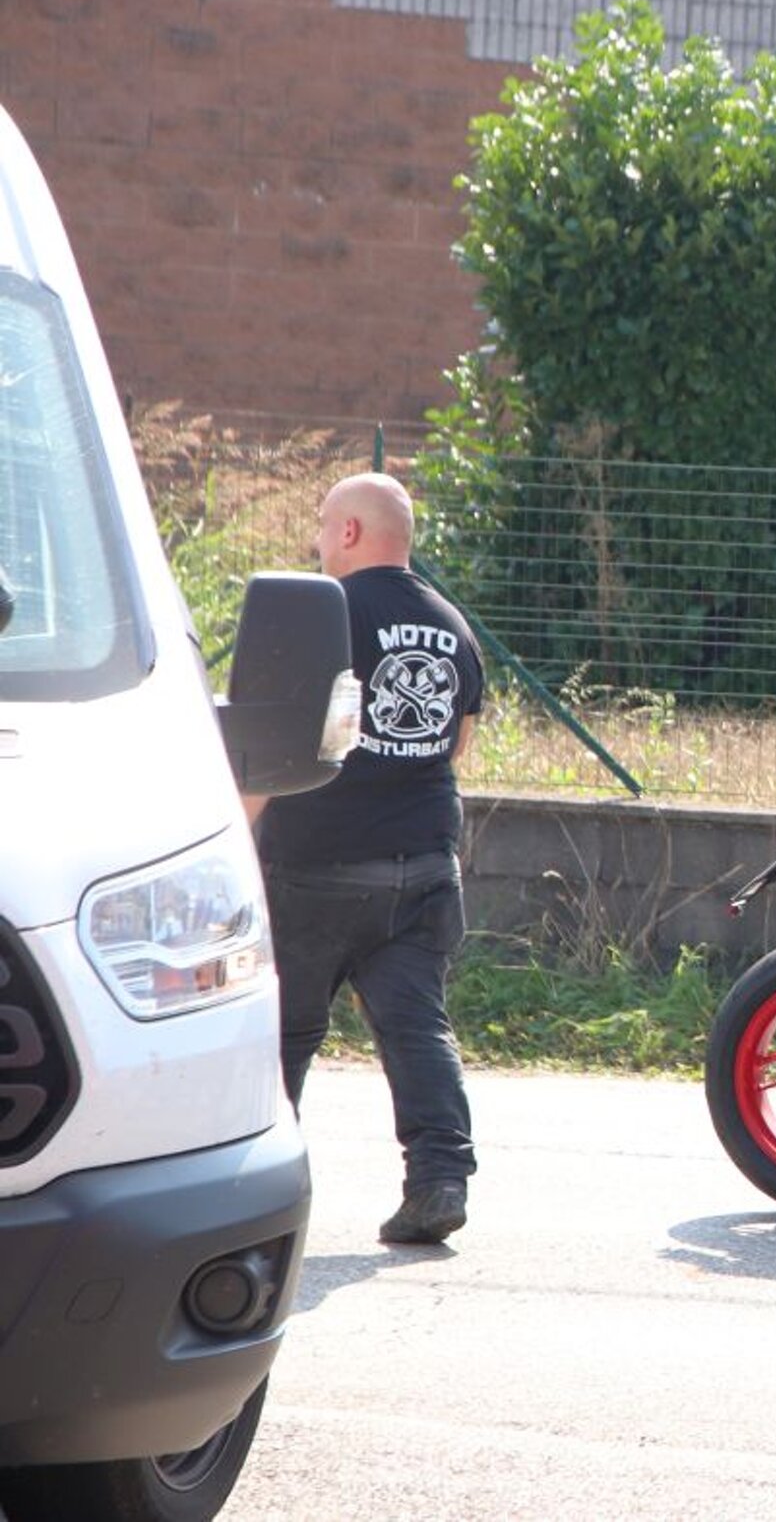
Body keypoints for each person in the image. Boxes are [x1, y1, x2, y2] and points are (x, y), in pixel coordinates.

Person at [250, 472, 484, 1246]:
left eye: (323, 524)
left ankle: (257, 1191)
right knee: (417, 1027)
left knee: (284, 1033)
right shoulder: (452, 622)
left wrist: (236, 839)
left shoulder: (320, 613)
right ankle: (439, 1181)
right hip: (424, 866)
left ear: (348, 532)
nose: (317, 539)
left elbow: (269, 748)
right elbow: (455, 745)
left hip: (316, 866)